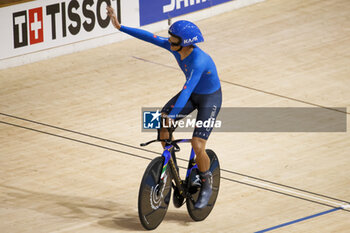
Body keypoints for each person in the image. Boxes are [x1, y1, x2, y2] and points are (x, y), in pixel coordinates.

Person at [107, 6, 222, 209]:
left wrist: (174, 114)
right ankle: (173, 172)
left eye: (173, 39)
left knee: (197, 144)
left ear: (184, 43)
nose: (168, 40)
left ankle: (206, 183)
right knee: (162, 127)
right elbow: (150, 37)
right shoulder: (175, 47)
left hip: (209, 99)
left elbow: (186, 91)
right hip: (193, 93)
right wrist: (120, 26)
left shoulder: (199, 61)